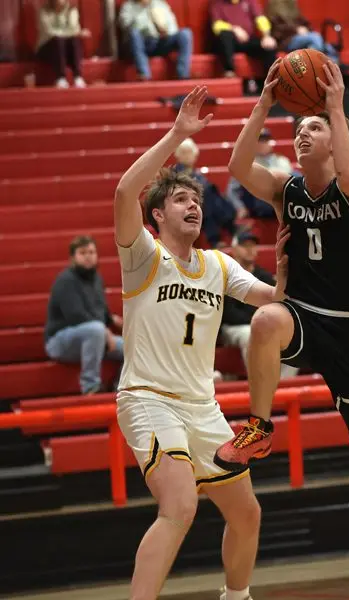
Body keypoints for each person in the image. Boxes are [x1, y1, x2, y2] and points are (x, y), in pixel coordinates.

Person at [213, 59, 349, 599]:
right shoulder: (285, 190)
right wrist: (264, 103)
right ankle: (259, 427)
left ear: (336, 140)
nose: (302, 133)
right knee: (265, 320)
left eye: (313, 128)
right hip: (303, 320)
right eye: (298, 128)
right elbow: (237, 165)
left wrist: (334, 106)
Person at [114, 85, 289, 600]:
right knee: (180, 506)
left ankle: (236, 597)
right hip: (149, 399)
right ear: (157, 216)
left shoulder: (217, 264)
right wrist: (177, 134)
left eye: (196, 199)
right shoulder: (144, 257)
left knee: (248, 513)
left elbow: (273, 298)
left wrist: (288, 262)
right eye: (180, 200)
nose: (193, 205)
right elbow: (124, 193)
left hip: (201, 406)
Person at [44, 235, 123, 394]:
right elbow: (76, 316)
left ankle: (120, 387)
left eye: (91, 252)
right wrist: (105, 332)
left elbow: (101, 312)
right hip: (60, 342)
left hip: (95, 336)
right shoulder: (66, 280)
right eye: (83, 253)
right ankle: (91, 387)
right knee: (95, 330)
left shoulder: (97, 279)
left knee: (133, 348)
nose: (88, 256)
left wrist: (115, 321)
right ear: (73, 258)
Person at [221, 229, 299, 379]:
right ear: (234, 250)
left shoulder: (263, 275)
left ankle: (281, 386)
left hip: (259, 324)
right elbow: (229, 314)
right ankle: (260, 382)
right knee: (250, 334)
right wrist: (258, 320)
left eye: (252, 245)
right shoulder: (227, 275)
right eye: (245, 245)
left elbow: (278, 303)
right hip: (232, 327)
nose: (250, 249)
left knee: (293, 335)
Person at [172, 137, 238, 247]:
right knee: (208, 196)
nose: (187, 156)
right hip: (186, 206)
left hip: (203, 205)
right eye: (183, 152)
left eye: (190, 152)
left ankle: (220, 235)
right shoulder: (175, 173)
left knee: (211, 194)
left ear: (195, 155)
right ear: (177, 155)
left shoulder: (196, 173)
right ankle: (229, 228)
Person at [226, 127, 295, 219]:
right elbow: (233, 190)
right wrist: (240, 208)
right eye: (259, 140)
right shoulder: (246, 163)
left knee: (296, 177)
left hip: (284, 200)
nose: (262, 143)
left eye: (265, 140)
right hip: (260, 204)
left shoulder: (282, 161)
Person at [118, 0, 193, 81]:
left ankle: (183, 75)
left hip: (160, 42)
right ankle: (144, 75)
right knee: (134, 33)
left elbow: (173, 27)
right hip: (142, 44)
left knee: (185, 33)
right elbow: (125, 26)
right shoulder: (128, 6)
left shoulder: (160, 4)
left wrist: (165, 30)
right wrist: (147, 16)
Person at [209, 0, 277, 80]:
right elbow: (216, 25)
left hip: (247, 40)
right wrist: (234, 29)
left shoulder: (249, 1)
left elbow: (260, 18)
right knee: (225, 35)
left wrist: (266, 36)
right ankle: (229, 72)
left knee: (269, 45)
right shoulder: (217, 4)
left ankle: (271, 81)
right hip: (228, 43)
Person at [36, 0, 91, 88]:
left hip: (66, 50)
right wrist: (74, 33)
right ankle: (60, 78)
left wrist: (74, 33)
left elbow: (74, 29)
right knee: (58, 40)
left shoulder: (72, 10)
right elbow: (48, 32)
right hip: (48, 48)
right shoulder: (44, 11)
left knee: (74, 41)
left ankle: (78, 77)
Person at [265, 0, 339, 62]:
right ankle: (313, 64)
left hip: (301, 38)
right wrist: (296, 30)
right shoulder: (273, 12)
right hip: (287, 41)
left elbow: (306, 23)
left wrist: (306, 29)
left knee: (328, 46)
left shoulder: (294, 10)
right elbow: (277, 32)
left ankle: (333, 66)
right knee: (316, 38)